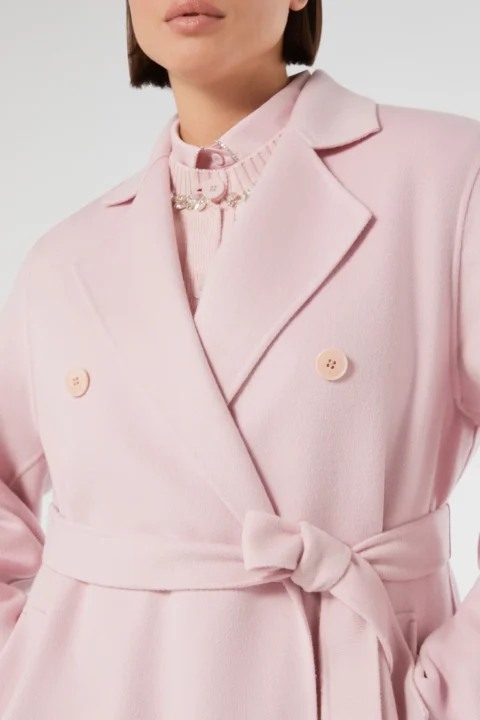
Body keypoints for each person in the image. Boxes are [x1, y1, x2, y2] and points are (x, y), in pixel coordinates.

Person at [0, 0, 479, 718]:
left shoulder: (447, 175)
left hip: (346, 682)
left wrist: (452, 692)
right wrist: (25, 668)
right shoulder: (65, 259)